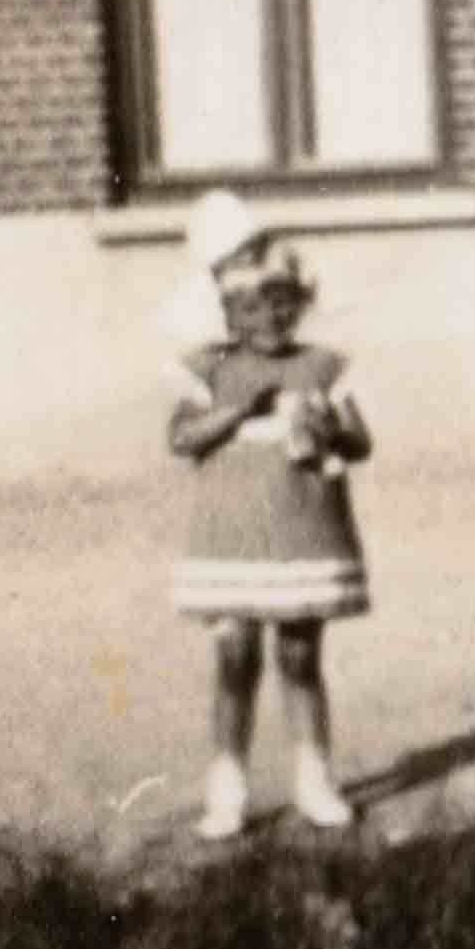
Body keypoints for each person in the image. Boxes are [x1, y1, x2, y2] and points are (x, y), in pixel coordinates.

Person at [164, 192, 370, 840]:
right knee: (235, 659)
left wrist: (329, 429)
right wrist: (237, 412)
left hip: (303, 532)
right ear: (226, 311)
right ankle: (227, 788)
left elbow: (360, 442)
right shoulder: (211, 368)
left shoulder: (323, 366)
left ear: (300, 302)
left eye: (282, 302)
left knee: (301, 656)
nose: (269, 317)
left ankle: (315, 780)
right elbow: (181, 438)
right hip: (231, 537)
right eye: (251, 306)